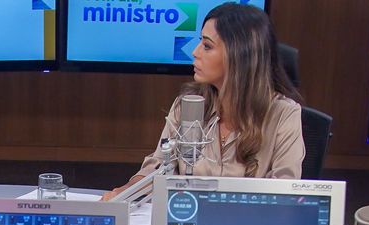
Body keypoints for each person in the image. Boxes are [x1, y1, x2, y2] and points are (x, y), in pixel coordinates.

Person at [104, 4, 306, 201]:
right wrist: (126, 192)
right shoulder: (188, 105)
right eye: (200, 42)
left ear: (239, 55)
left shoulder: (284, 114)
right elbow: (158, 168)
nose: (195, 52)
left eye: (207, 46)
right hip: (189, 217)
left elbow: (285, 194)